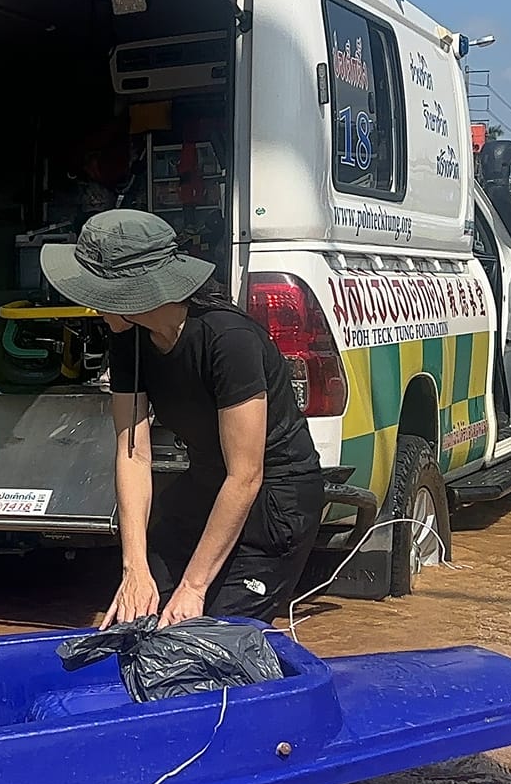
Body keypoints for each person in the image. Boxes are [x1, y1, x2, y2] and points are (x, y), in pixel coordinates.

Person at [40, 210, 325, 628]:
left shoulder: (229, 340)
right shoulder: (128, 337)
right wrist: (134, 568)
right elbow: (133, 453)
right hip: (204, 487)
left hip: (273, 500)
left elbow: (245, 476)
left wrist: (193, 586)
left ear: (131, 291)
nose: (91, 305)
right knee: (136, 620)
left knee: (207, 637)